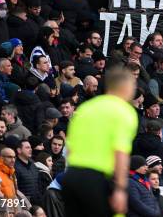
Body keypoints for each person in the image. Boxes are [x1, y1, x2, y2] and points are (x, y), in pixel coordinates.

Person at [62, 67, 139, 217]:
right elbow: (120, 152)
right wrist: (120, 189)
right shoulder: (124, 111)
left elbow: (70, 148)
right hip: (97, 180)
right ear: (126, 87)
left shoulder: (85, 108)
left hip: (71, 177)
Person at [14, 139, 40, 204]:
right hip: (24, 204)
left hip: (37, 202)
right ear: (19, 150)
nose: (31, 149)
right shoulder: (15, 167)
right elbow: (15, 190)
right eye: (27, 147)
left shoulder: (33, 165)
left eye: (30, 147)